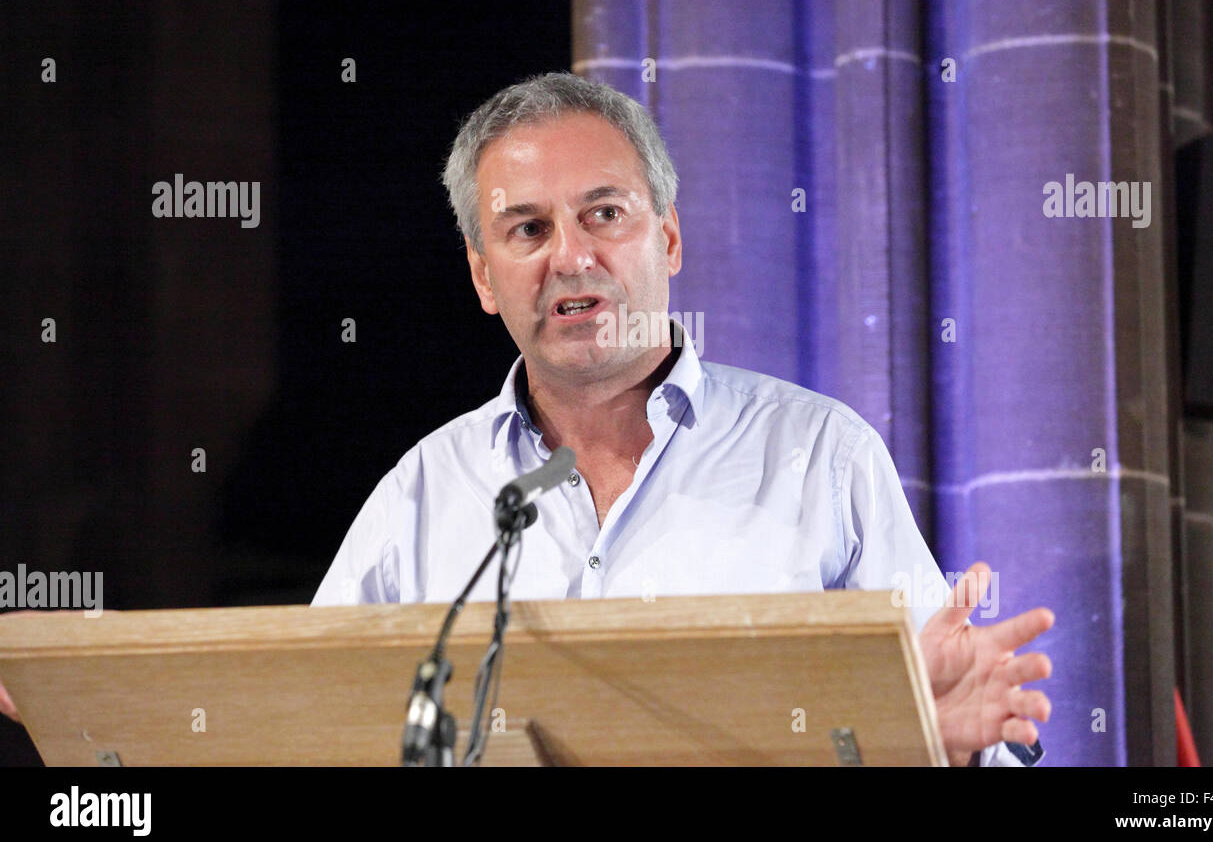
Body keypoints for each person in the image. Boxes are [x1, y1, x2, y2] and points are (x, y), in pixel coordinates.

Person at [310, 72, 1053, 767]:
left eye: (604, 214)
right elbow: (301, 723)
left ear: (666, 239)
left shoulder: (820, 456)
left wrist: (945, 746)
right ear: (482, 275)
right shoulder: (422, 492)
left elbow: (944, 708)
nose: (570, 257)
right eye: (528, 230)